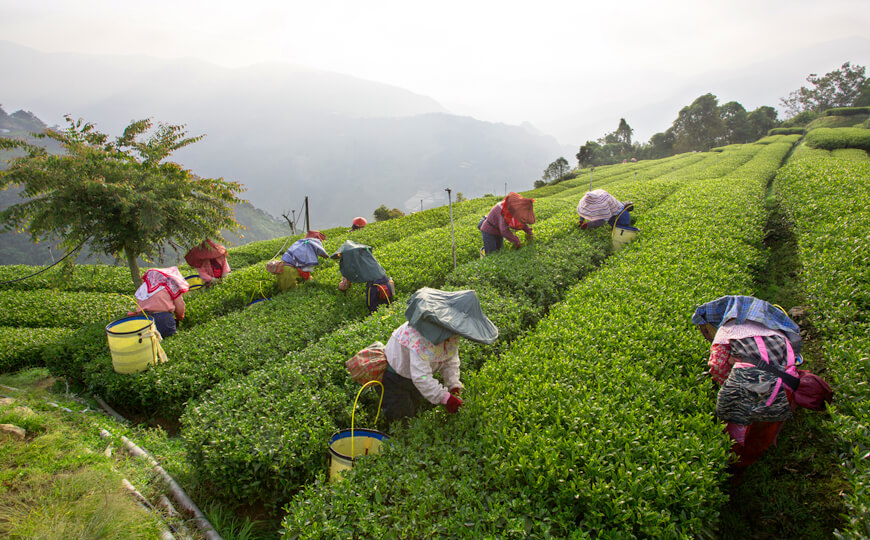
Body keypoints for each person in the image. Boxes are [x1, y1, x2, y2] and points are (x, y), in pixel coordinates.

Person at [692, 295, 804, 478]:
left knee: (735, 437)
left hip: (747, 386)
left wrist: (727, 382)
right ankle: (757, 456)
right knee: (763, 431)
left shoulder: (727, 330)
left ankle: (732, 472)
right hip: (785, 386)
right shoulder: (776, 329)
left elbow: (716, 366)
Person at [381, 288, 498, 424]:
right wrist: (445, 398)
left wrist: (453, 385)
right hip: (396, 377)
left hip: (414, 376)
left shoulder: (450, 334)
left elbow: (450, 359)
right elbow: (421, 377)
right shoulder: (421, 337)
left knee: (418, 408)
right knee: (402, 417)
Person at [331, 240, 395, 312]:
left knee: (372, 306)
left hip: (374, 285)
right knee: (387, 304)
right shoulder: (365, 257)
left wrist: (342, 289)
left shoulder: (349, 263)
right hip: (384, 279)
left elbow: (345, 283)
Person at [127, 266, 189, 338]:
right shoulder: (170, 285)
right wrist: (179, 317)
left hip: (144, 321)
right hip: (163, 320)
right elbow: (180, 306)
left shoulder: (143, 287)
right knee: (169, 337)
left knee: (149, 340)